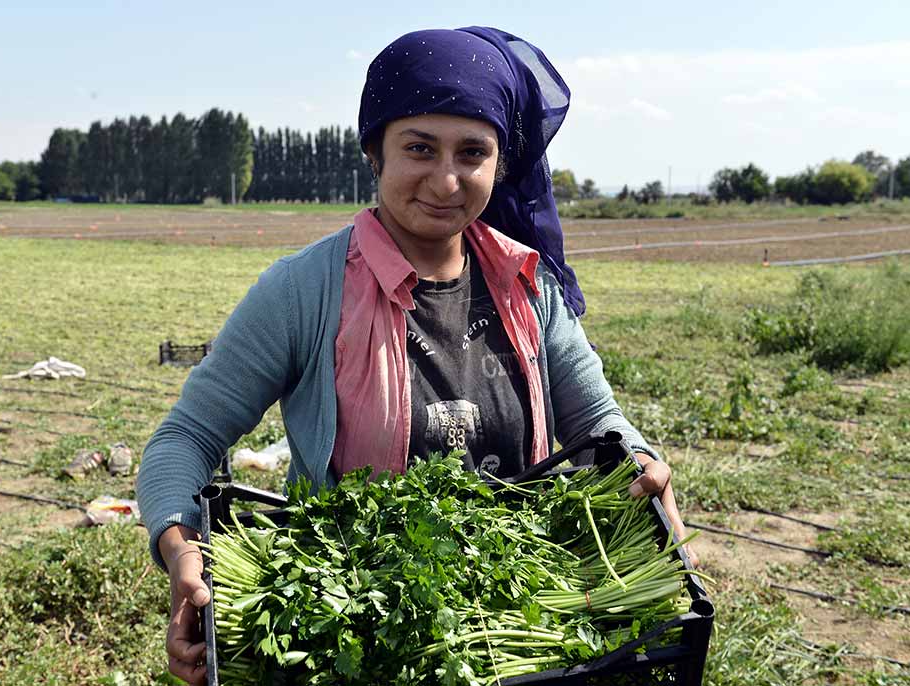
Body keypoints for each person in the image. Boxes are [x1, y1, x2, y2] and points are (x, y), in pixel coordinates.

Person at [136, 26, 697, 686]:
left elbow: (601, 425)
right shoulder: (303, 292)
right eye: (420, 149)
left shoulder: (529, 286)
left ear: (501, 164)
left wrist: (642, 462)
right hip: (361, 629)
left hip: (524, 627)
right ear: (375, 152)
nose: (447, 179)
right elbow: (186, 438)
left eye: (473, 152)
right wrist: (180, 548)